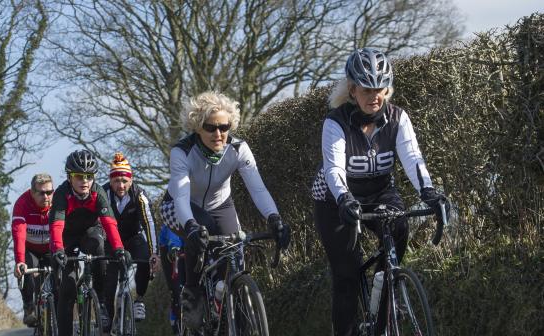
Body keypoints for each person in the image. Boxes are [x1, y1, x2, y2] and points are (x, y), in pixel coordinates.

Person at [311, 48, 450, 336]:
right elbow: (334, 169)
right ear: (352, 90)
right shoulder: (335, 122)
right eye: (367, 89)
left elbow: (413, 158)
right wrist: (345, 199)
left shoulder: (398, 118)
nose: (375, 95)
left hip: (380, 191)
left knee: (398, 231)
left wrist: (429, 193)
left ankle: (382, 314)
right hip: (335, 198)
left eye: (380, 88)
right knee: (347, 276)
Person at [159, 91, 291, 329]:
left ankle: (229, 302)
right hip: (180, 205)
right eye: (210, 128)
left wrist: (275, 218)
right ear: (198, 127)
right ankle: (193, 291)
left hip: (221, 204)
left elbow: (258, 189)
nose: (218, 134)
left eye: (224, 127)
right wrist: (189, 226)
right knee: (201, 230)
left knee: (234, 256)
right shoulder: (182, 152)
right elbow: (180, 194)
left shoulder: (239, 148)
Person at [49, 149, 131, 336]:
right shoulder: (62, 194)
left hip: (89, 233)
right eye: (79, 176)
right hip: (66, 237)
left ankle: (101, 301)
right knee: (67, 290)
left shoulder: (98, 192)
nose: (84, 181)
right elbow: (56, 226)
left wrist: (119, 249)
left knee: (99, 245)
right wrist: (58, 250)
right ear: (70, 177)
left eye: (89, 176)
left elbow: (109, 223)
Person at [102, 152, 160, 325]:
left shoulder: (139, 196)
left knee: (143, 260)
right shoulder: (102, 193)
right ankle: (107, 311)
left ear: (131, 180)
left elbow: (149, 223)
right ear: (110, 180)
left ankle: (139, 300)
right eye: (116, 181)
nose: (120, 185)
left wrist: (154, 253)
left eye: (124, 181)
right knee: (109, 278)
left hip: (133, 237)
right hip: (110, 241)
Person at [12, 173, 54, 327]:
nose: (46, 196)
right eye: (41, 193)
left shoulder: (58, 202)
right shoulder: (22, 203)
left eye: (49, 192)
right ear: (32, 192)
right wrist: (20, 260)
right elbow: (19, 234)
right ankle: (29, 307)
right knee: (26, 269)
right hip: (30, 249)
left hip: (50, 248)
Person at [158, 225, 185, 335]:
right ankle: (176, 325)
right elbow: (172, 227)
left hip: (190, 243)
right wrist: (174, 246)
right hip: (169, 246)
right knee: (176, 291)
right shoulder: (173, 208)